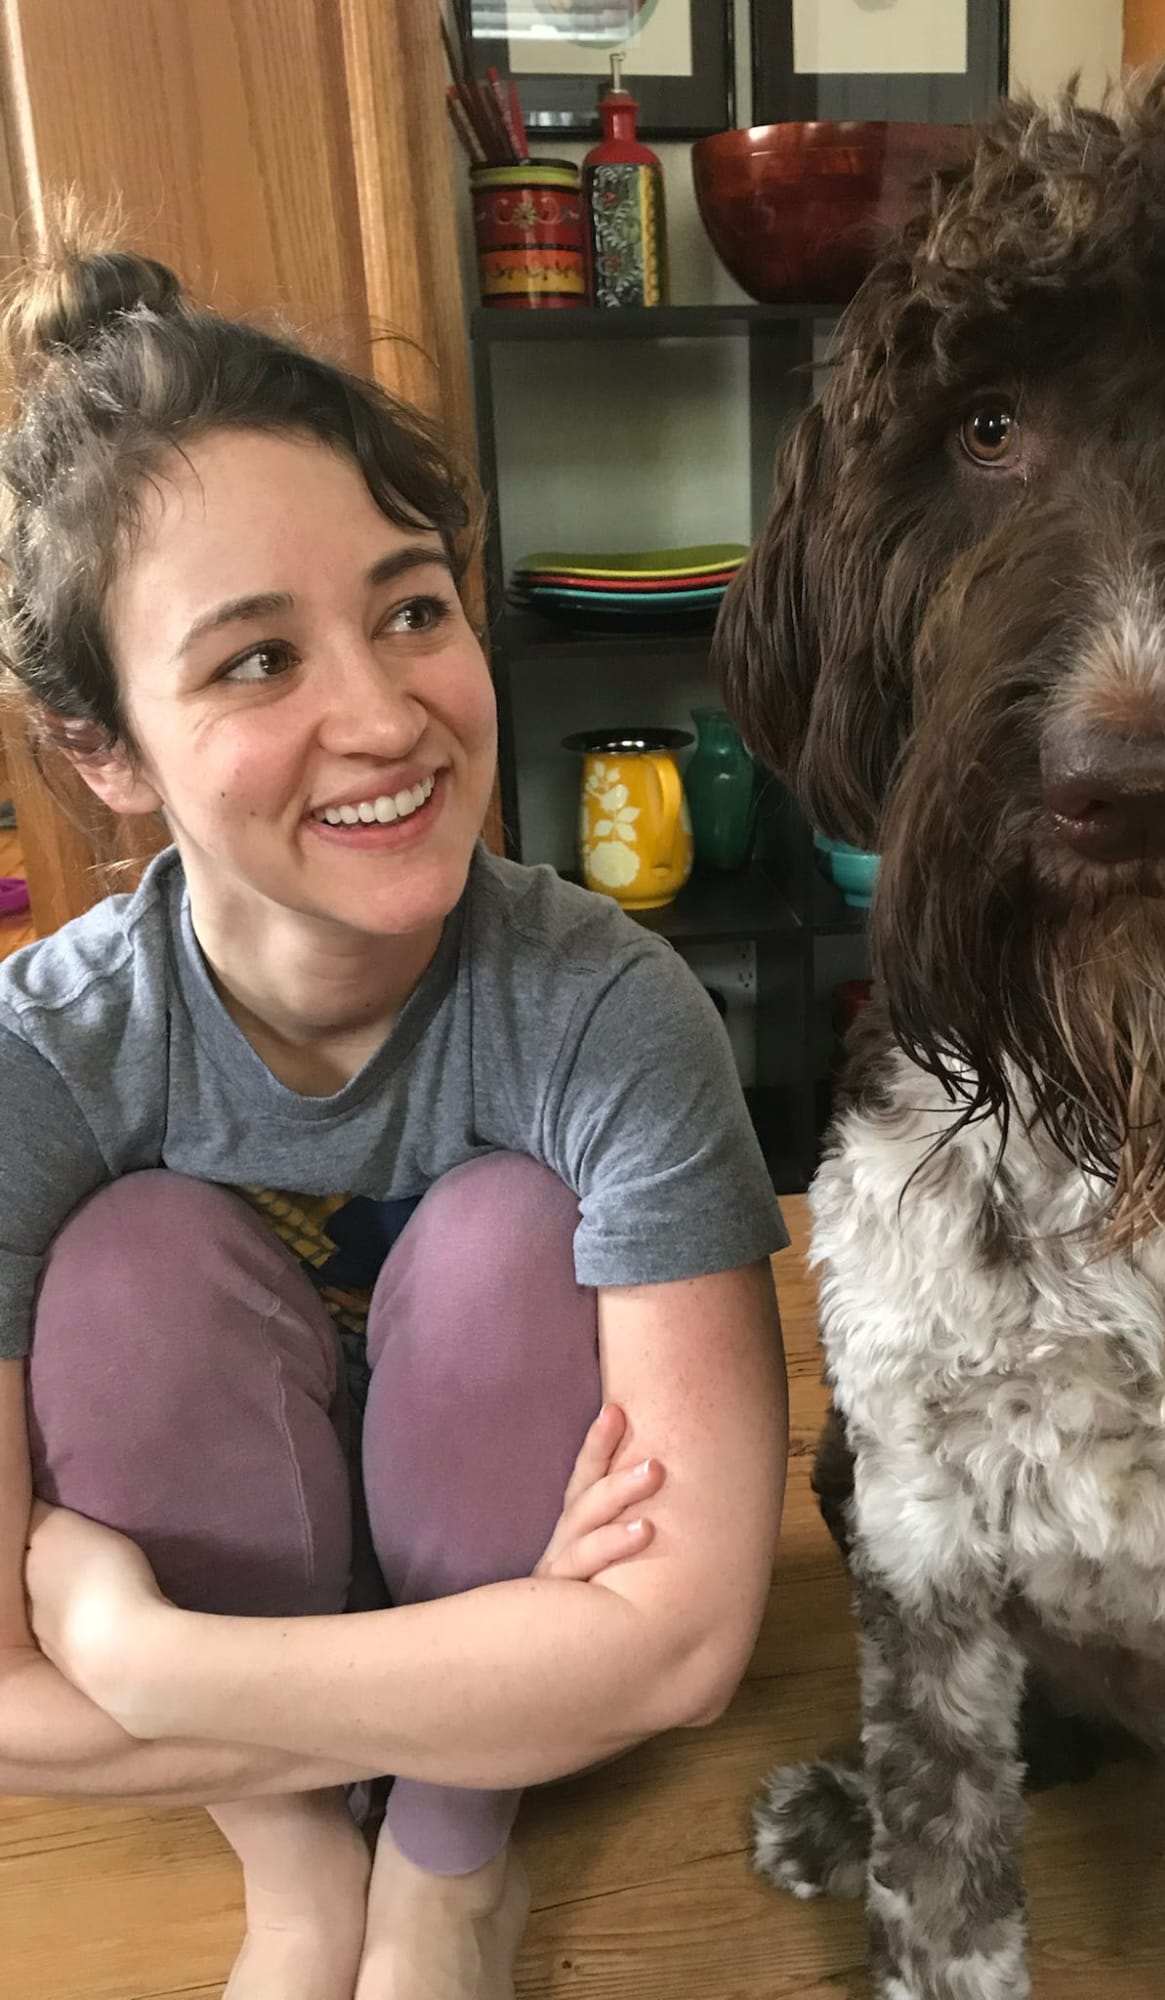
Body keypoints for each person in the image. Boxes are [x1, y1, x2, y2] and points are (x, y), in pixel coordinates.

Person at [0, 238, 789, 2000]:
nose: (384, 716)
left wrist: (139, 1656)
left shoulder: (605, 1010)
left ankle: (443, 1865)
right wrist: (531, 1654)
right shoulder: (35, 1062)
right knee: (123, 1261)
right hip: (416, 1616)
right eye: (254, 662)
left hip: (358, 1667)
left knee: (517, 1233)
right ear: (101, 748)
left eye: (412, 608)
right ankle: (297, 1869)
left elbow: (683, 1650)